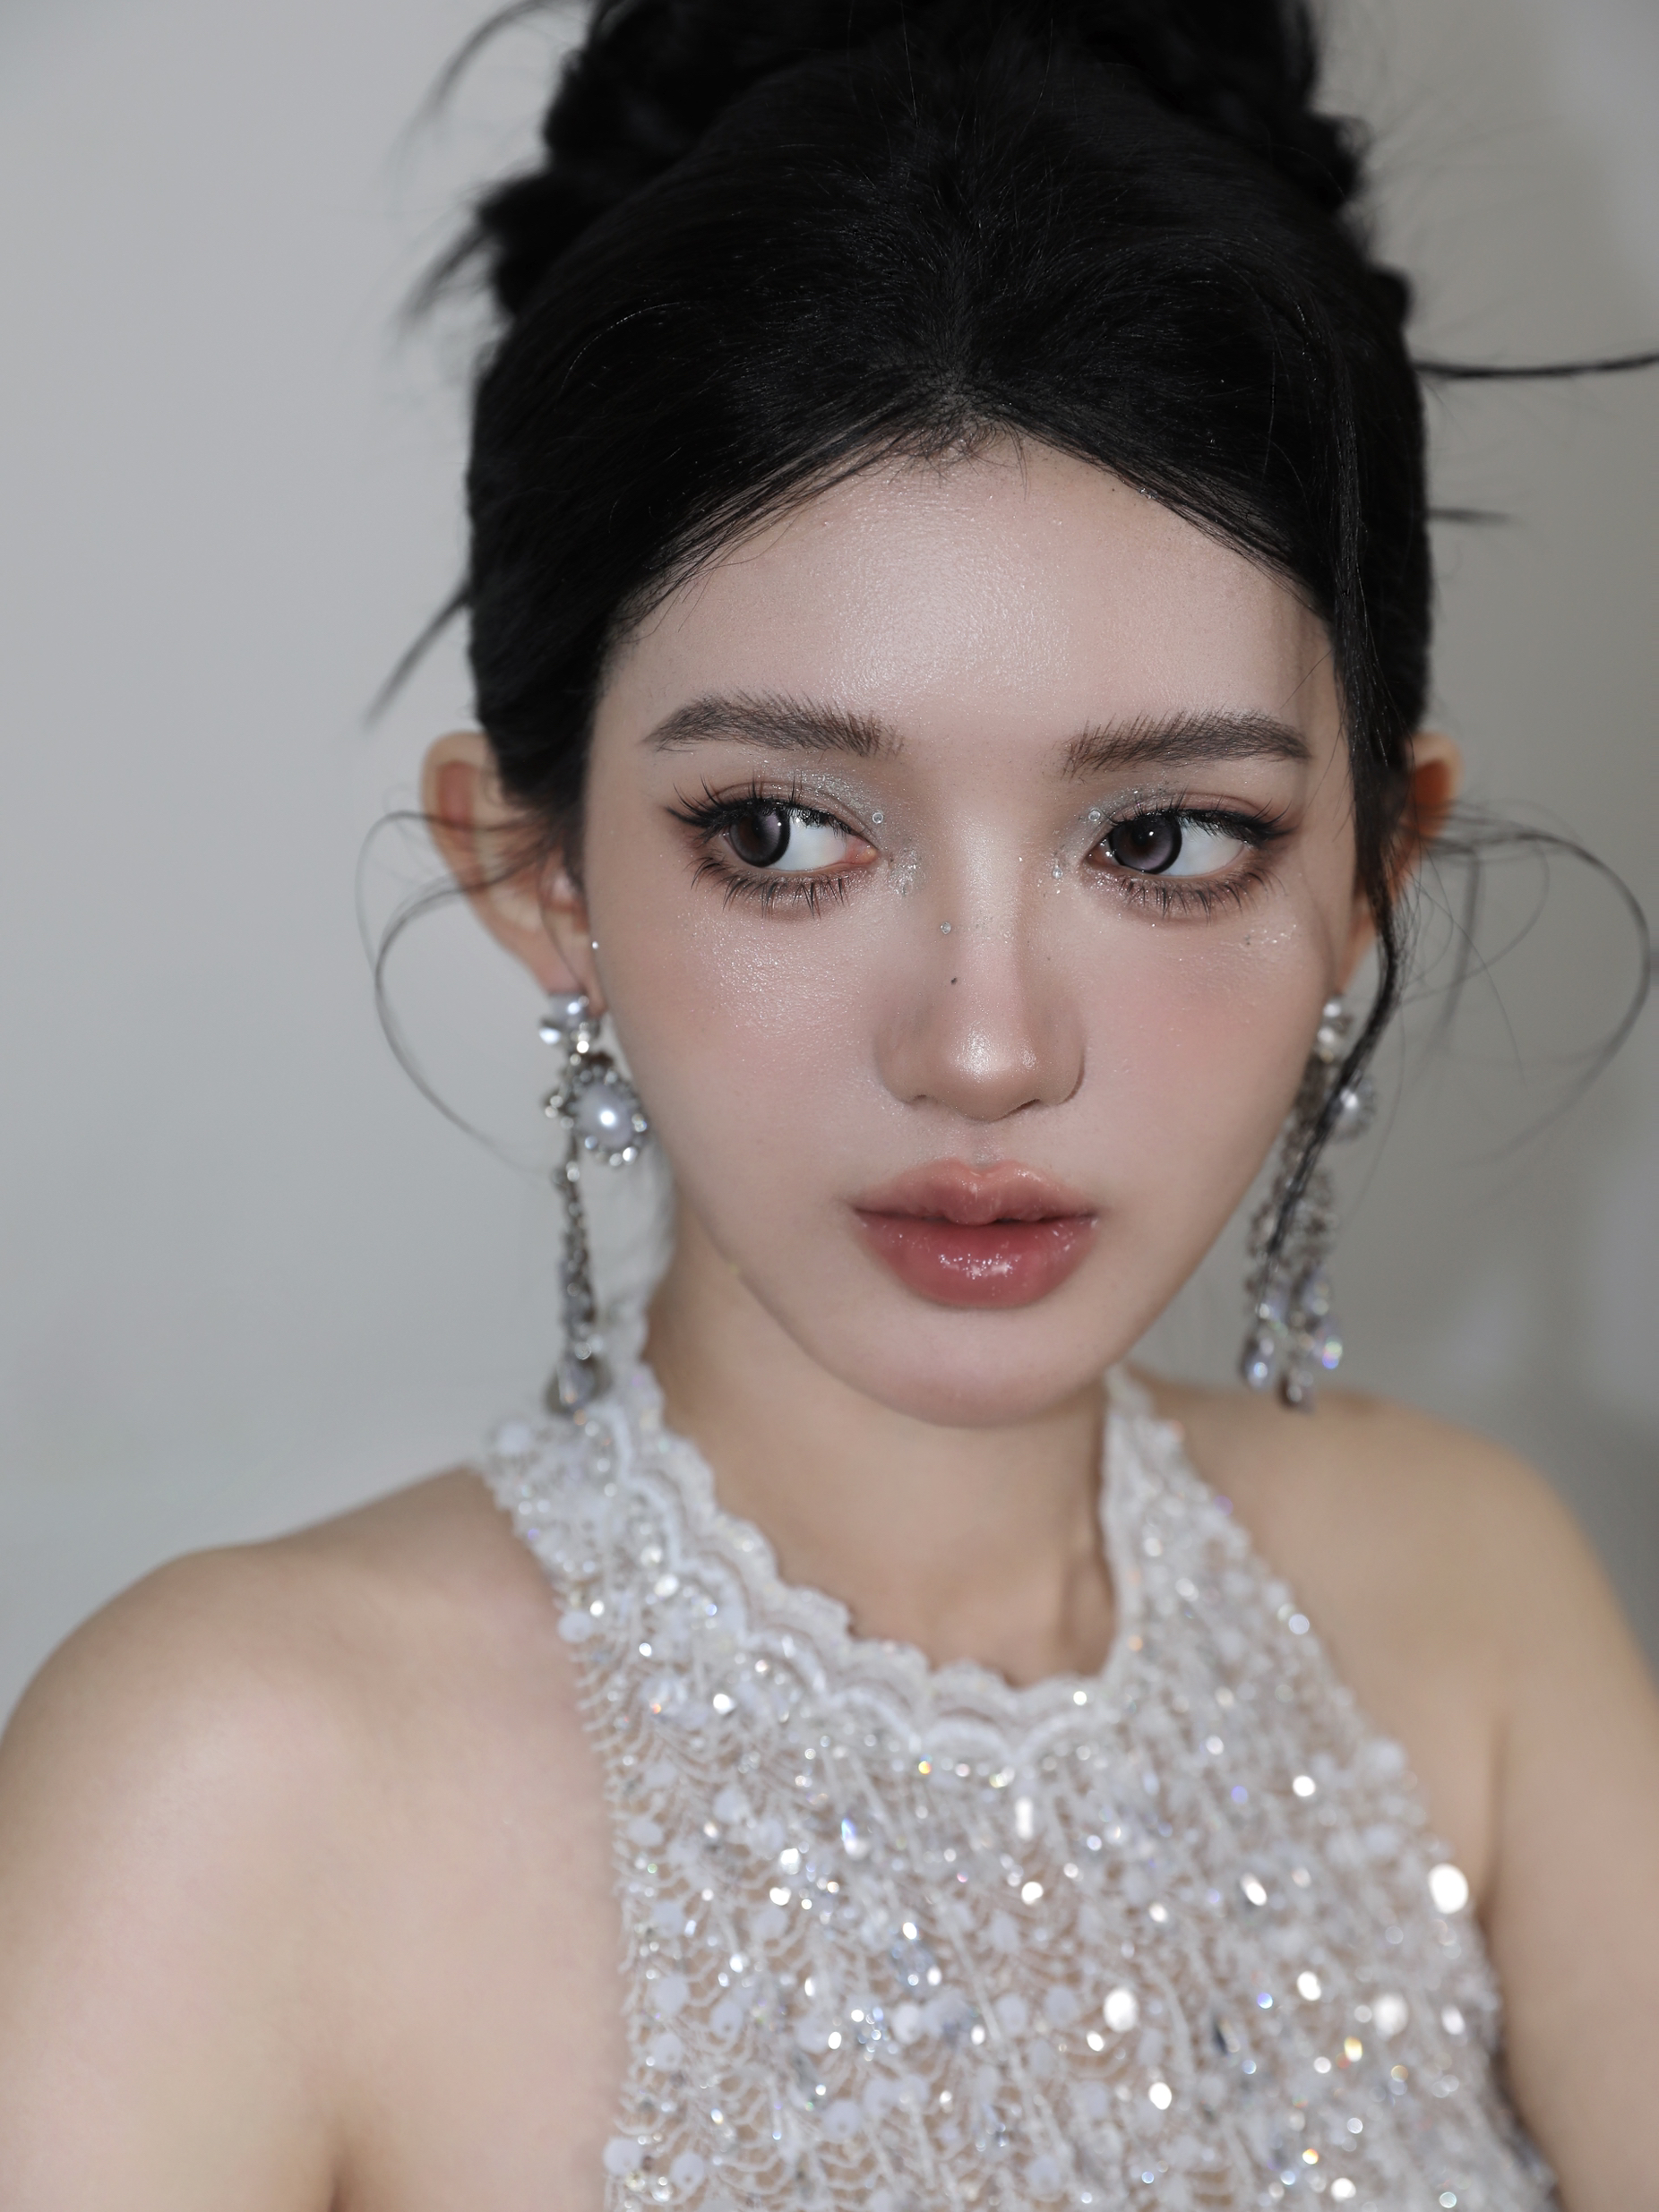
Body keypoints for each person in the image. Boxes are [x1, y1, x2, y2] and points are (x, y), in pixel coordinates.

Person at [0, 0, 1655, 2205]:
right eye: (780, 833)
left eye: (1162, 839)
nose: (981, 1045)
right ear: (538, 872)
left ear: (1368, 870)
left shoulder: (1463, 1604)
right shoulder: (234, 1788)